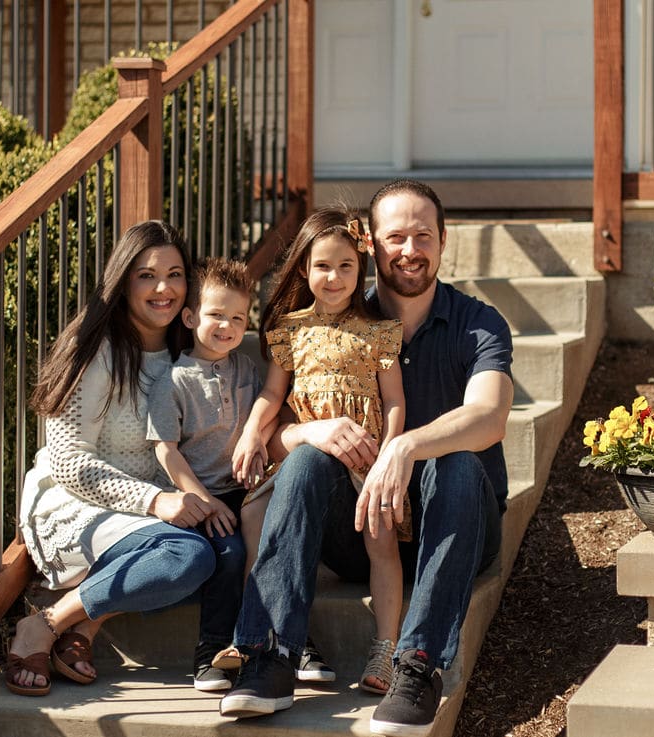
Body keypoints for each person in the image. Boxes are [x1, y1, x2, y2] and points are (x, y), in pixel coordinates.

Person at [218, 180, 514, 737]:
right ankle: (271, 657)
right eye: (395, 236)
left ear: (443, 241)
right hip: (361, 528)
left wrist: (404, 445)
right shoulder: (332, 323)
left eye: (423, 235)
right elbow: (276, 437)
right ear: (372, 246)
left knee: (453, 463)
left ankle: (418, 666)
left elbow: (490, 417)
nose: (410, 249)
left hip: (456, 526)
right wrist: (313, 430)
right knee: (304, 461)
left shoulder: (479, 324)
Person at [9, 220, 242, 697]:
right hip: (76, 505)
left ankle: (84, 625)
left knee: (224, 549)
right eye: (146, 276)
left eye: (176, 275)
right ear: (122, 281)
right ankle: (45, 624)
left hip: (146, 515)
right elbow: (71, 462)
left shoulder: (188, 355)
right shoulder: (93, 350)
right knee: (185, 555)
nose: (164, 288)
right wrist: (157, 501)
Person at [229, 206, 407, 695]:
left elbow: (394, 402)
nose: (333, 277)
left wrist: (389, 457)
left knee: (381, 544)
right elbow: (272, 394)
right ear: (304, 270)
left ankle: (387, 648)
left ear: (361, 268)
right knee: (256, 517)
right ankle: (281, 635)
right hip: (308, 459)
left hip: (365, 459)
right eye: (322, 266)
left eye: (345, 266)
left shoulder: (377, 330)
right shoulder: (290, 329)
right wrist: (250, 433)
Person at [145, 257, 262, 691]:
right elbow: (166, 451)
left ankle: (270, 643)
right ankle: (209, 654)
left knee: (270, 547)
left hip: (245, 493)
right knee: (229, 556)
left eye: (237, 317)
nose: (227, 326)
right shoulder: (172, 380)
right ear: (191, 316)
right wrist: (204, 501)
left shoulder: (247, 369)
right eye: (216, 314)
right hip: (201, 496)